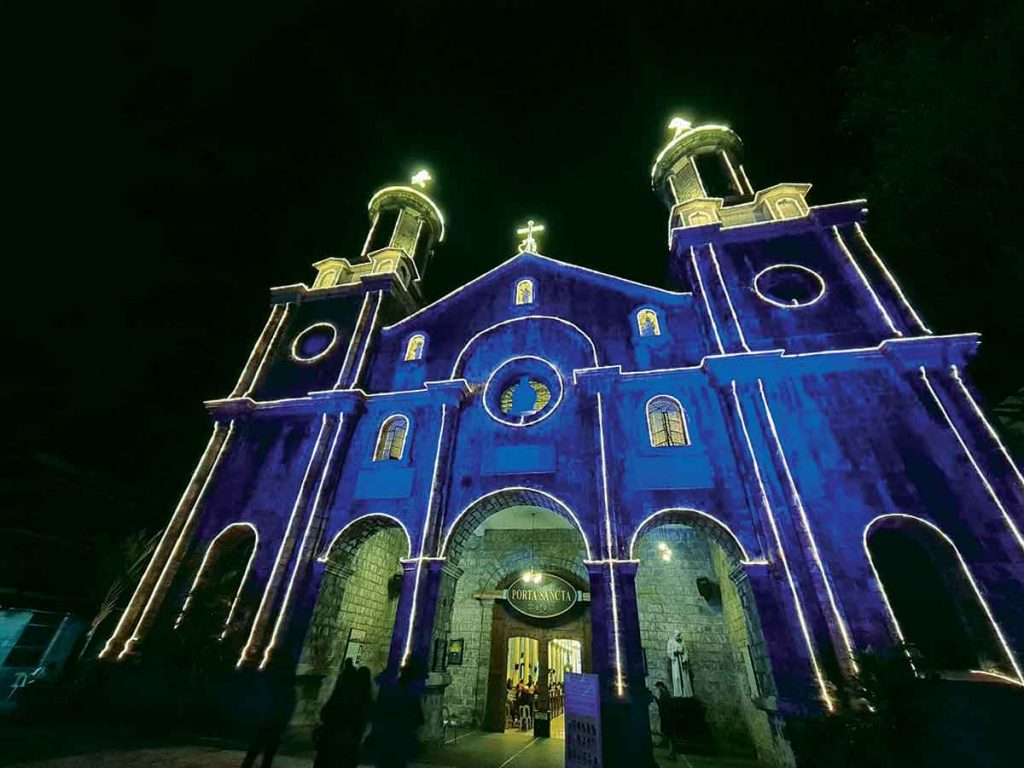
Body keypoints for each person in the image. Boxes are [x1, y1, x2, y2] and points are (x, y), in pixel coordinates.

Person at [240, 657, 296, 768]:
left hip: (269, 720)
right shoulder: (287, 688)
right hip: (275, 722)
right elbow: (288, 705)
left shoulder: (274, 684)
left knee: (257, 748)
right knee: (268, 752)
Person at [373, 660, 424, 768]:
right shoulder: (411, 696)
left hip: (387, 739)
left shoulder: (389, 691)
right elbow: (418, 719)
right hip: (400, 740)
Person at [652, 680, 678, 760]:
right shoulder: (665, 694)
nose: (658, 689)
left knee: (670, 736)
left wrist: (656, 699)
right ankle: (672, 753)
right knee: (670, 736)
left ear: (661, 687)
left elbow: (662, 705)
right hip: (668, 717)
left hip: (668, 717)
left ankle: (672, 754)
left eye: (658, 687)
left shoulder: (664, 695)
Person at [666, 631, 693, 698]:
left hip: (682, 661)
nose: (678, 636)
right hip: (676, 662)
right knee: (677, 677)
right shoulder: (671, 642)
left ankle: (686, 693)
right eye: (677, 635)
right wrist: (674, 653)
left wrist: (685, 659)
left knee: (684, 677)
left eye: (679, 635)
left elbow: (686, 652)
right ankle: (678, 694)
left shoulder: (682, 641)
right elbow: (669, 652)